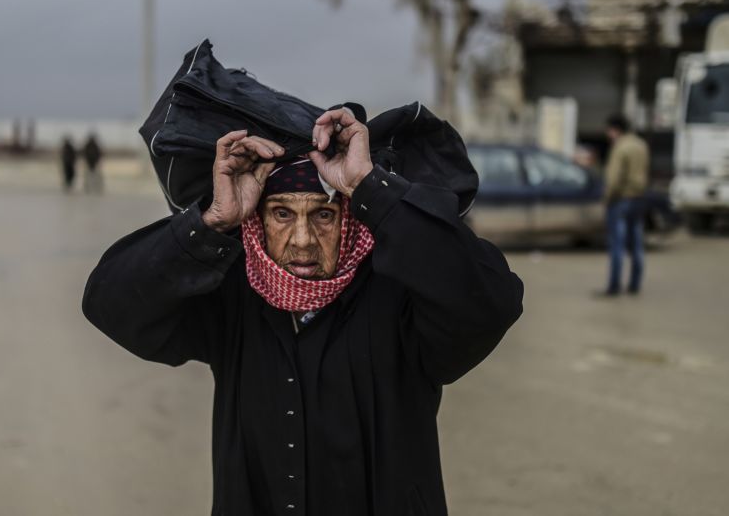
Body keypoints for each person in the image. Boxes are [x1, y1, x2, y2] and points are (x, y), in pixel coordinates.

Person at [83, 109, 524, 516]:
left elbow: (491, 302)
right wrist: (212, 221)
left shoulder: (401, 299)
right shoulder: (235, 296)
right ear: (257, 219)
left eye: (324, 215)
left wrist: (372, 188)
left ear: (350, 215)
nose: (302, 241)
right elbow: (110, 303)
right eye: (280, 213)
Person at [600, 113, 650, 296]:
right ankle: (635, 284)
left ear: (615, 130)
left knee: (617, 245)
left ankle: (614, 286)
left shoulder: (620, 148)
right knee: (637, 244)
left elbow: (613, 179)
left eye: (608, 131)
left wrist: (607, 199)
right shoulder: (641, 145)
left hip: (621, 200)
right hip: (639, 198)